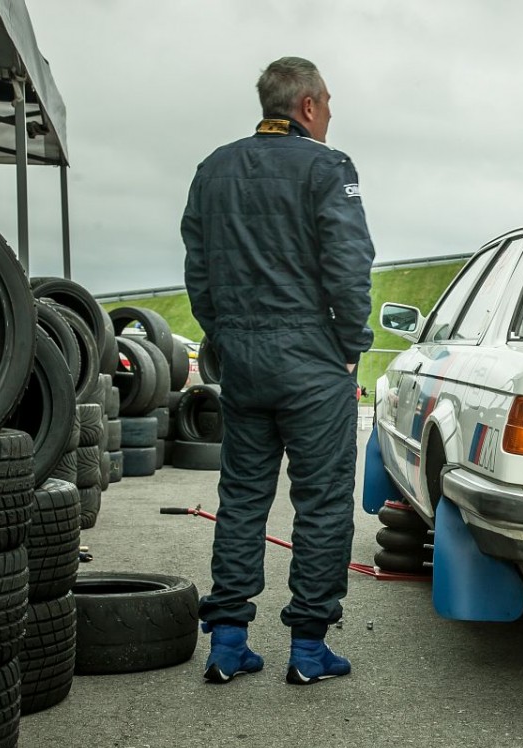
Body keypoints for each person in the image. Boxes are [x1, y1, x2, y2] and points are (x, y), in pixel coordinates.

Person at [181, 57, 374, 685]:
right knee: (319, 502)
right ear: (310, 106)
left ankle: (229, 642)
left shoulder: (212, 168)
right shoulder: (328, 167)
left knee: (241, 497)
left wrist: (224, 335)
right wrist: (351, 344)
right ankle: (310, 650)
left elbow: (198, 269)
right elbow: (348, 265)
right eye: (330, 105)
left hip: (242, 357)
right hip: (311, 359)